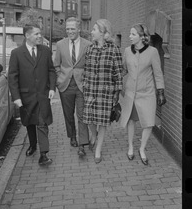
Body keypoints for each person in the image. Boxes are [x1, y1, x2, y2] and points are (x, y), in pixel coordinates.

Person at [8, 24, 56, 166]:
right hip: (25, 97)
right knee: (29, 122)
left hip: (42, 95)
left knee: (42, 123)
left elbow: (51, 71)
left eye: (40, 34)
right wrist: (16, 97)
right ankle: (33, 145)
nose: (39, 36)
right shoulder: (16, 53)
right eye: (36, 34)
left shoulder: (46, 51)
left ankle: (43, 154)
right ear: (27, 36)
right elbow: (13, 77)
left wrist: (52, 88)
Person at [119, 23, 167, 165]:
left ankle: (142, 149)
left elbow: (158, 74)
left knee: (148, 123)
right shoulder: (127, 51)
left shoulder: (152, 51)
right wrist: (115, 79)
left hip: (147, 93)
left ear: (142, 37)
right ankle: (130, 147)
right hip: (131, 93)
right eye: (129, 34)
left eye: (133, 34)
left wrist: (161, 92)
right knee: (131, 120)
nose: (130, 36)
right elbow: (124, 70)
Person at [82, 19, 123, 163]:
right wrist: (85, 83)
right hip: (90, 90)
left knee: (103, 122)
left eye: (94, 29)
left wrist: (117, 93)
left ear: (103, 32)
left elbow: (118, 73)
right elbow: (86, 69)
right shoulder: (89, 49)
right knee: (89, 119)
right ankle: (94, 135)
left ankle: (98, 148)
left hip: (105, 92)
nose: (91, 32)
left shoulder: (114, 50)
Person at [54, 17, 92, 156]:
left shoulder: (88, 45)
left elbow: (90, 65)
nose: (70, 31)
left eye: (72, 29)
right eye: (68, 29)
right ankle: (73, 137)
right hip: (65, 85)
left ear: (78, 29)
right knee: (68, 115)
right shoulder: (60, 44)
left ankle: (83, 144)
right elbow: (56, 64)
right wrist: (59, 78)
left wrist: (86, 79)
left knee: (82, 115)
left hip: (81, 85)